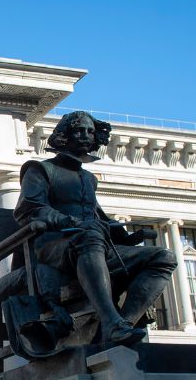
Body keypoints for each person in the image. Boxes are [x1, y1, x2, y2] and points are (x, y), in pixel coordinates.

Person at [13, 111, 176, 347]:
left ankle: (122, 324)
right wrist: (67, 221)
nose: (86, 136)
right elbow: (29, 209)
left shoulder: (89, 178)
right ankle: (111, 321)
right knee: (90, 235)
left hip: (92, 243)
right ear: (63, 135)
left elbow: (98, 216)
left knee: (164, 257)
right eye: (79, 130)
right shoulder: (40, 170)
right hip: (53, 247)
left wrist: (128, 237)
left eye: (90, 131)